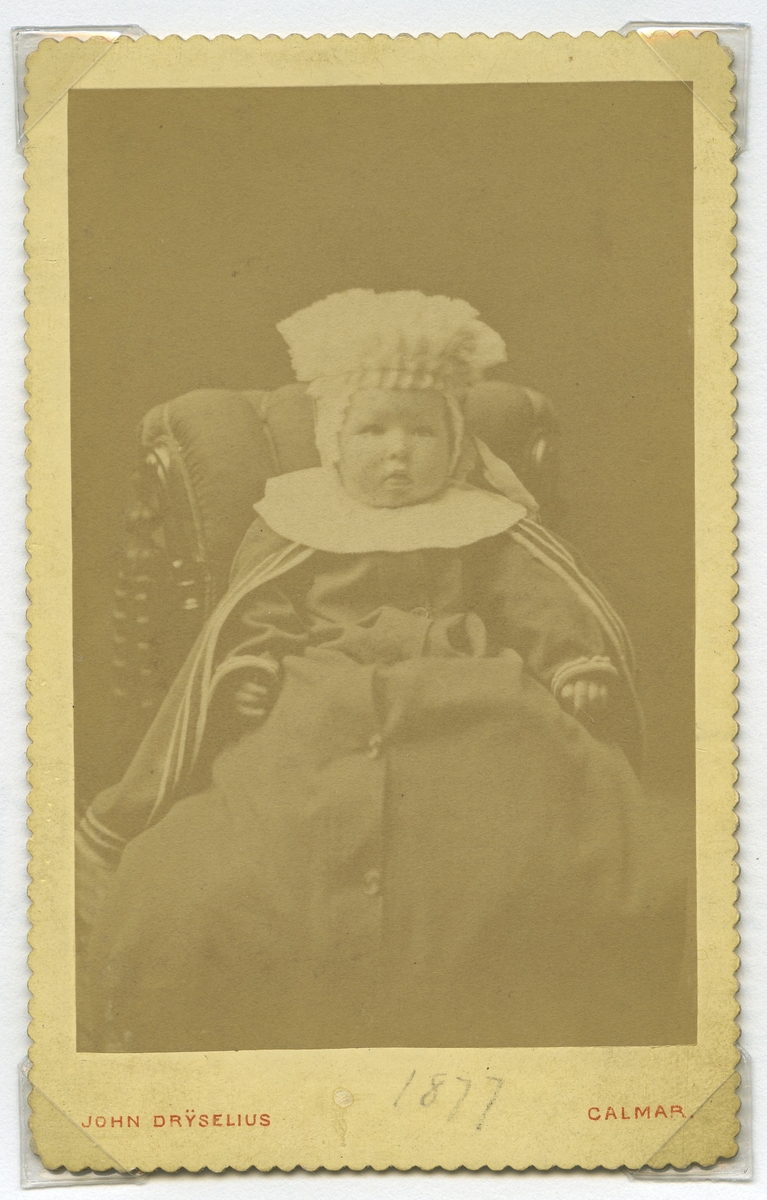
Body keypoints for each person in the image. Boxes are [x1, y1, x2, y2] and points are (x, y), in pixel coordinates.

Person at [78, 290, 690, 1052]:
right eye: (373, 429)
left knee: (523, 808)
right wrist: (249, 663)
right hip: (321, 690)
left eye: (421, 431)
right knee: (263, 825)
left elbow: (539, 598)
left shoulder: (483, 520)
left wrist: (573, 661)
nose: (398, 451)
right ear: (335, 440)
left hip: (466, 688)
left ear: (455, 441)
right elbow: (253, 607)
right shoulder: (294, 518)